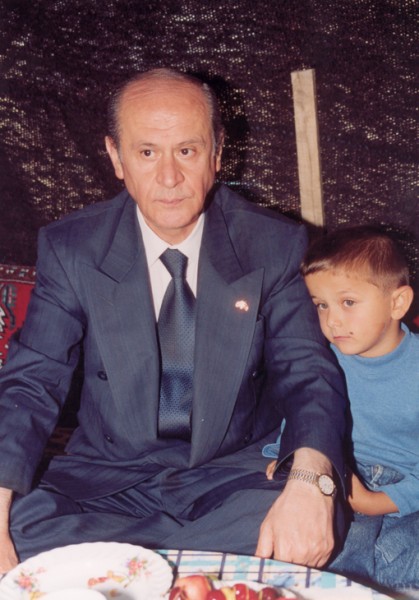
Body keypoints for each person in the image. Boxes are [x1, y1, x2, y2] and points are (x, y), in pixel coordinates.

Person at [0, 68, 348, 575]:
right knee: (16, 523)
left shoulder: (273, 243)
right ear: (116, 157)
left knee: (307, 519)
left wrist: (311, 480)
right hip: (105, 480)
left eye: (187, 150)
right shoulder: (72, 247)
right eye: (147, 152)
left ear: (218, 154)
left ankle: (126, 563)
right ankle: (193, 561)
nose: (169, 178)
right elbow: (32, 380)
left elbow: (308, 374)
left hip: (232, 477)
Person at [265, 226, 419, 591]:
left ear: (397, 303)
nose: (332, 320)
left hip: (407, 491)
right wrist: (287, 455)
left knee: (401, 549)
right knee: (332, 547)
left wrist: (377, 501)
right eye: (321, 305)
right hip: (338, 475)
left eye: (348, 302)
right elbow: (305, 414)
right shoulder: (323, 362)